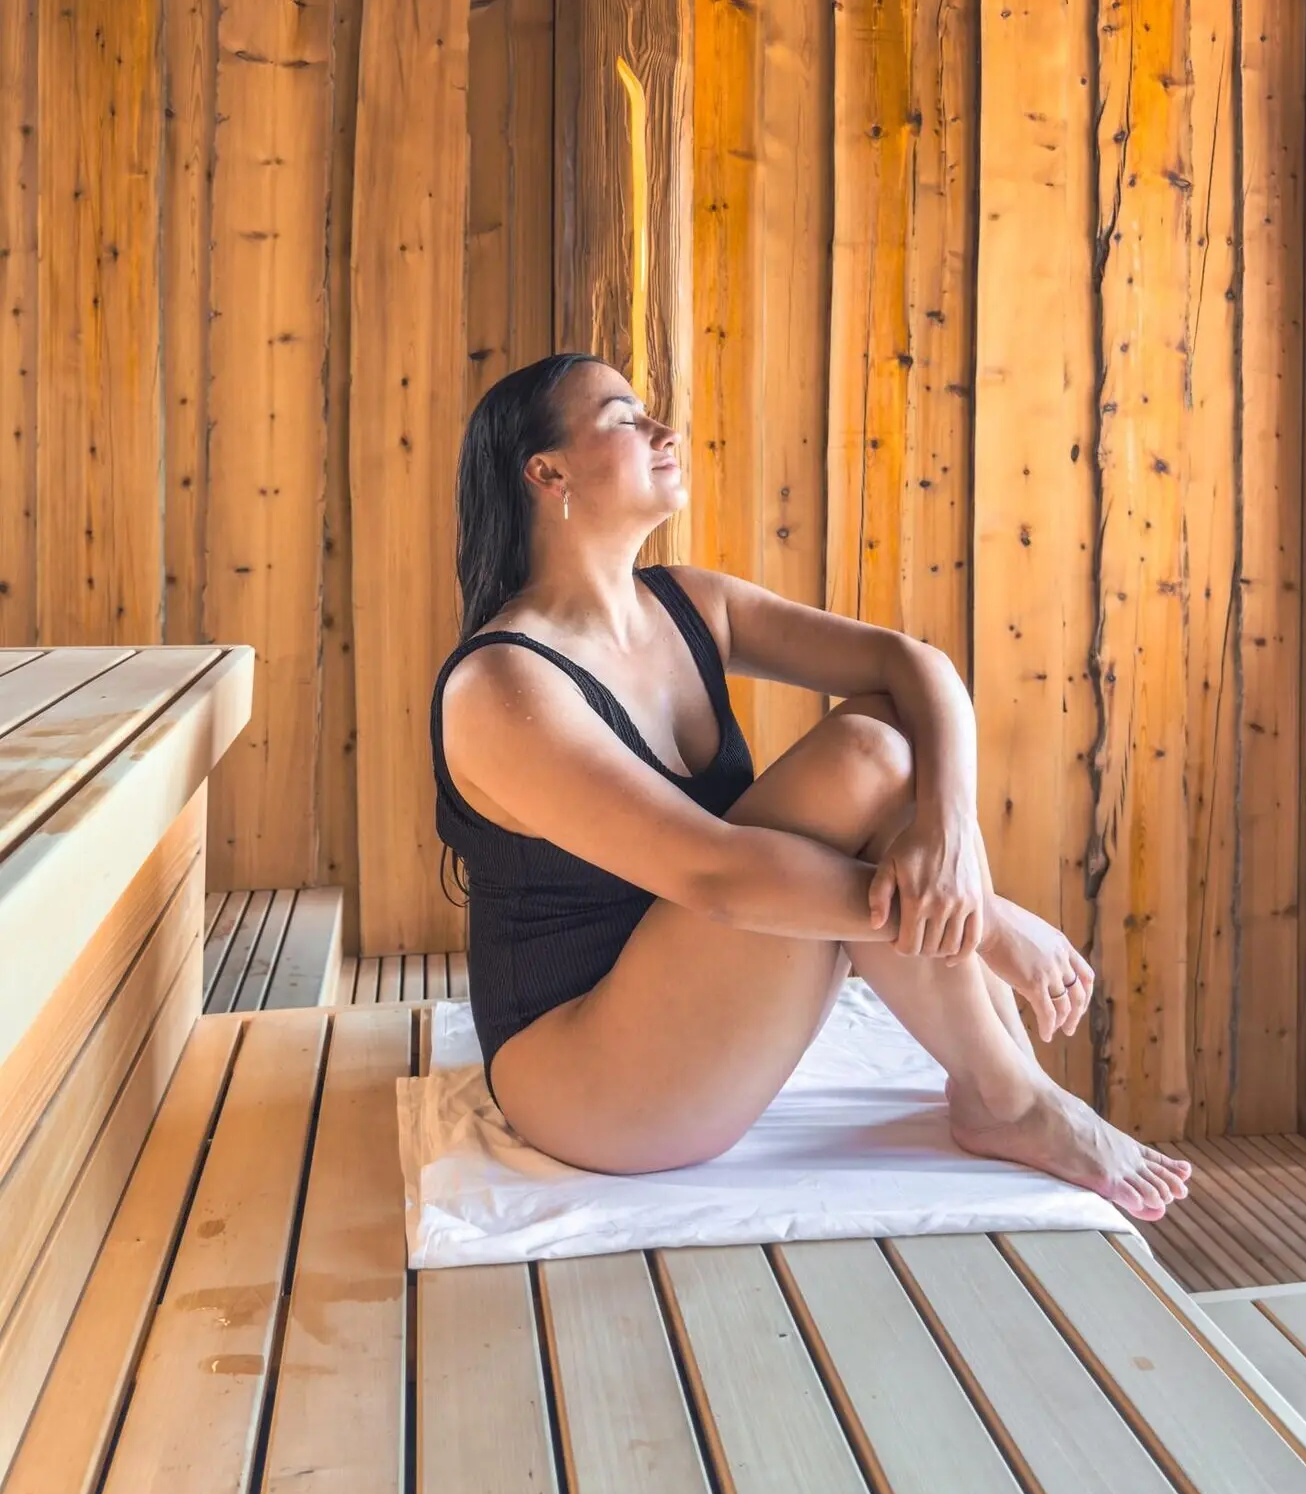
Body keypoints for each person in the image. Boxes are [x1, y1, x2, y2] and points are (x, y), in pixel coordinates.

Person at [430, 353, 1192, 1220]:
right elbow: (717, 874)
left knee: (877, 743)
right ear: (547, 473)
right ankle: (1012, 1098)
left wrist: (948, 835)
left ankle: (1003, 1090)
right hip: (589, 1082)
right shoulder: (500, 685)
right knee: (866, 756)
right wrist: (986, 925)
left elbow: (915, 666)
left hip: (694, 1005)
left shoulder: (687, 605)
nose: (664, 432)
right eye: (624, 419)